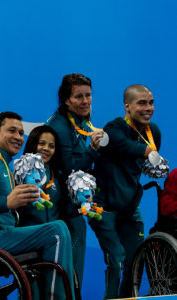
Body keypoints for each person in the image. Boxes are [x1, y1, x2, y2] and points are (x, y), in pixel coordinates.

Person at [0, 111, 76, 300]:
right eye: (12, 131)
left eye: (21, 133)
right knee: (57, 230)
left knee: (58, 227)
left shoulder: (5, 165)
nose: (19, 137)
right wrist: (6, 202)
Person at [89, 84, 162, 299]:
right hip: (104, 209)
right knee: (117, 262)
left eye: (151, 103)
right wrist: (148, 151)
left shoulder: (153, 132)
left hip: (130, 210)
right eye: (142, 103)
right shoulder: (113, 128)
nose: (148, 108)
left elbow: (142, 165)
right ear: (127, 106)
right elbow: (126, 146)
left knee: (135, 263)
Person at [46, 73, 105, 287]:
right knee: (66, 267)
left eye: (88, 95)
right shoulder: (60, 126)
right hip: (60, 208)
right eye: (78, 97)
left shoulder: (81, 122)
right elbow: (68, 168)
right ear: (65, 100)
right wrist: (92, 150)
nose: (85, 101)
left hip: (72, 206)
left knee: (74, 265)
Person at [18, 125, 83, 297]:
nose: (46, 149)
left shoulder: (58, 174)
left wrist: (81, 202)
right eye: (41, 143)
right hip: (30, 237)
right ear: (32, 144)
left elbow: (65, 209)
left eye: (51, 146)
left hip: (54, 242)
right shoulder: (20, 170)